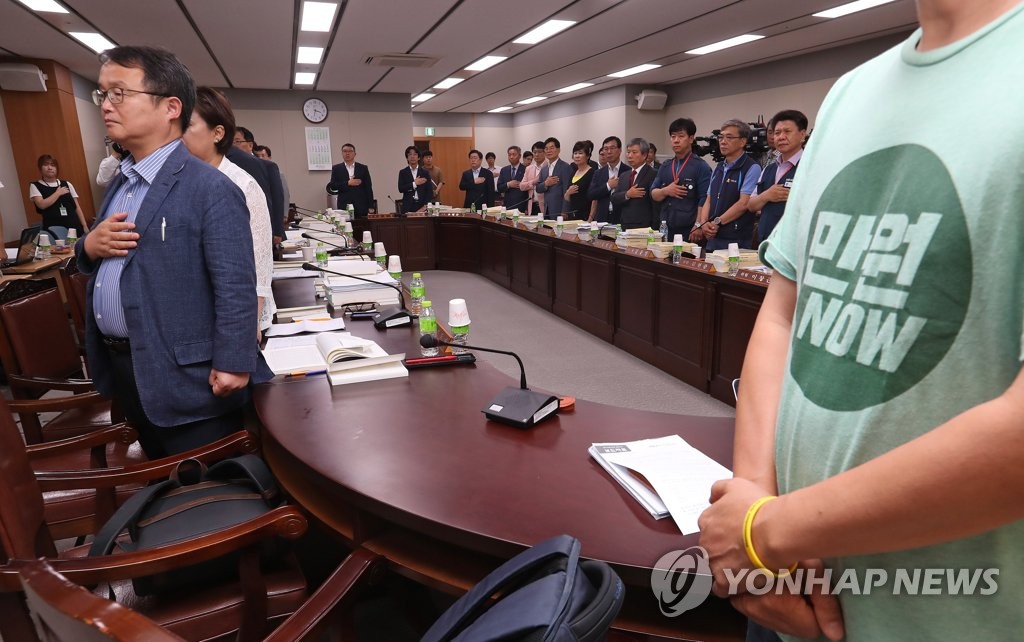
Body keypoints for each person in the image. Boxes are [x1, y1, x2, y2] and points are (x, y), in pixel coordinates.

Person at [698, 3, 1024, 642]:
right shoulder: (852, 91)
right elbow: (785, 311)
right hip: (783, 588)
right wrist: (753, 509)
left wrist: (767, 531)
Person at [78, 45, 270, 460]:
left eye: (119, 93)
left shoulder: (209, 187)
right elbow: (105, 251)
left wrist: (234, 360)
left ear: (170, 107)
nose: (106, 105)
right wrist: (87, 247)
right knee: (162, 479)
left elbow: (236, 283)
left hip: (190, 382)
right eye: (102, 94)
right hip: (130, 368)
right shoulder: (122, 181)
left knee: (204, 490)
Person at [183, 86, 275, 335]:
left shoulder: (242, 184)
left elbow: (260, 262)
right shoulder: (179, 180)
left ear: (217, 133)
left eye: (187, 125)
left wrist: (251, 322)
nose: (178, 134)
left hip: (236, 316)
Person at [698, 119, 761, 251]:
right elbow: (709, 199)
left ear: (743, 141)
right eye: (721, 137)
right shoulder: (719, 167)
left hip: (736, 240)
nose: (723, 141)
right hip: (713, 237)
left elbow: (744, 203)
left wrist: (717, 222)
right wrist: (703, 223)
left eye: (729, 137)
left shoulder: (751, 167)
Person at [747, 110, 807, 244]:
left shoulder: (810, 167)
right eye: (777, 133)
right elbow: (751, 205)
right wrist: (766, 196)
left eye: (787, 131)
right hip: (766, 242)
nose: (781, 137)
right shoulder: (769, 169)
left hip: (794, 243)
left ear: (802, 135)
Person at [651, 118, 713, 242]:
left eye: (681, 136)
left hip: (689, 229)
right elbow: (653, 193)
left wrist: (698, 225)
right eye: (673, 136)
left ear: (691, 138)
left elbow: (705, 199)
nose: (676, 140)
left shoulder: (701, 166)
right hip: (665, 227)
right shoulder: (666, 166)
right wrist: (666, 191)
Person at [231, 126, 285, 243]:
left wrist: (277, 231)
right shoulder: (229, 168)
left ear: (250, 145)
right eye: (231, 142)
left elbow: (277, 199)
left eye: (237, 141)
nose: (233, 146)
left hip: (266, 230)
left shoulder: (267, 166)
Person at [29, 155, 89, 238]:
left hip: (74, 227)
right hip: (53, 230)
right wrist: (58, 193)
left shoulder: (67, 184)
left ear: (57, 168)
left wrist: (84, 225)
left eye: (52, 165)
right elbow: (41, 205)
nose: (50, 168)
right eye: (46, 165)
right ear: (40, 168)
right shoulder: (35, 185)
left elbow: (77, 207)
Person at [610, 138, 657, 230]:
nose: (630, 156)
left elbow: (655, 206)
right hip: (624, 225)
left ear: (644, 155)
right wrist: (627, 194)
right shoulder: (624, 175)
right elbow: (614, 198)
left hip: (644, 227)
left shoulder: (653, 174)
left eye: (634, 152)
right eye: (628, 152)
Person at [588, 136, 629, 224]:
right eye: (606, 149)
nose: (609, 152)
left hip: (622, 217)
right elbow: (591, 194)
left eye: (612, 148)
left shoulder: (628, 171)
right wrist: (608, 186)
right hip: (602, 218)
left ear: (620, 150)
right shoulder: (598, 173)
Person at [327, 143, 374, 217]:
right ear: (342, 153)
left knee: (362, 224)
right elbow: (333, 186)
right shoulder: (336, 168)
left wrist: (371, 206)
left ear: (355, 154)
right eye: (345, 151)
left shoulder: (363, 168)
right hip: (344, 205)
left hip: (361, 205)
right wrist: (348, 183)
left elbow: (368, 187)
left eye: (350, 151)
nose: (347, 153)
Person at [253, 144, 291, 232]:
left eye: (263, 155)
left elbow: (285, 194)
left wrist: (284, 214)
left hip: (275, 211)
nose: (260, 158)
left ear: (269, 157)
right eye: (257, 156)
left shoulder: (277, 173)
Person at [535, 137, 573, 218]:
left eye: (551, 148)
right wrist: (545, 184)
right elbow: (538, 188)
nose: (548, 151)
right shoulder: (544, 169)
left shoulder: (565, 167)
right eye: (546, 149)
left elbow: (567, 190)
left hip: (560, 210)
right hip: (546, 210)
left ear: (558, 150)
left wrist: (565, 211)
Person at [563, 141, 596, 221]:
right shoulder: (573, 173)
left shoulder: (593, 173)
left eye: (580, 153)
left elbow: (595, 199)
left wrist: (590, 218)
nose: (577, 156)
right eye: (575, 153)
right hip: (572, 215)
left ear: (587, 156)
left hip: (585, 216)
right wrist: (568, 193)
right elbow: (567, 197)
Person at [398, 145, 431, 213]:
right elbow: (401, 188)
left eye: (415, 154)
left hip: (422, 207)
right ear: (407, 158)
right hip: (408, 207)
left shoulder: (425, 173)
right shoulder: (403, 172)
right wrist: (414, 184)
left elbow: (429, 191)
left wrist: (425, 206)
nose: (412, 156)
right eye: (410, 154)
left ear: (418, 157)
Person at [519, 141, 546, 216]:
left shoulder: (549, 166)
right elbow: (522, 186)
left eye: (539, 152)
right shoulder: (529, 168)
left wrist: (528, 184)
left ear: (545, 152)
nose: (537, 154)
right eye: (534, 152)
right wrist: (533, 182)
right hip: (532, 205)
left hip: (545, 205)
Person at [497, 146, 528, 212]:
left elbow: (529, 189)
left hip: (522, 206)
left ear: (519, 156)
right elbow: (499, 187)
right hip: (508, 206)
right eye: (509, 155)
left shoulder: (526, 169)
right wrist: (508, 184)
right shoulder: (504, 170)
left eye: (514, 154)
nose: (511, 157)